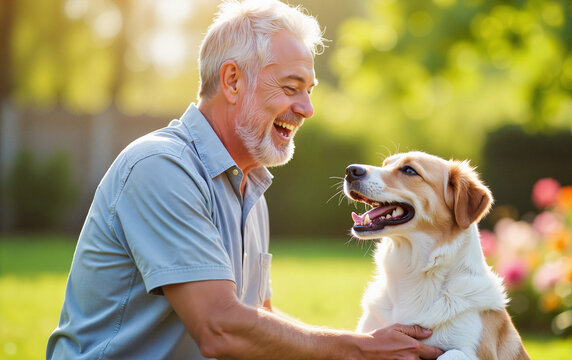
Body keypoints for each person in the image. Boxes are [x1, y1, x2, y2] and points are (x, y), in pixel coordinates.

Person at [46, 1, 444, 359]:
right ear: (233, 81)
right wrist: (360, 349)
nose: (306, 109)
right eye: (291, 88)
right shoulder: (160, 167)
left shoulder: (250, 187)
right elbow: (220, 327)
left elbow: (259, 325)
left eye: (309, 91)